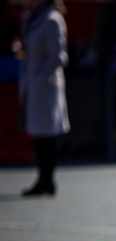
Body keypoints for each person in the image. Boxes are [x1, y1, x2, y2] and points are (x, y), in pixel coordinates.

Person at [19, 0, 69, 197]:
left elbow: (58, 56)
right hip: (34, 85)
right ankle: (43, 179)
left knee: (47, 136)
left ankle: (48, 179)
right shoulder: (34, 19)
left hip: (45, 87)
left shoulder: (52, 20)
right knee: (39, 136)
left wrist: (41, 77)